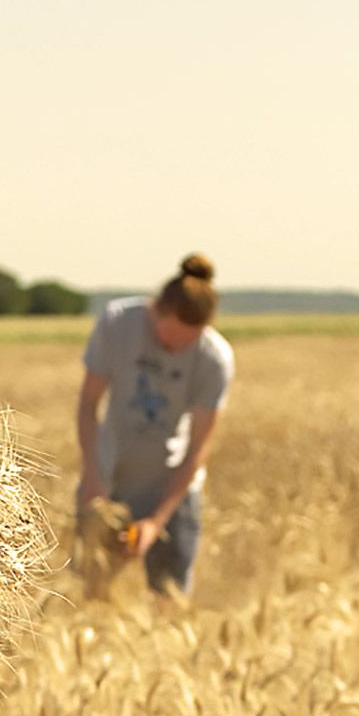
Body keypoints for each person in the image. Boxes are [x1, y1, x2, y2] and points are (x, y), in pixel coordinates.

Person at [73, 254, 234, 597]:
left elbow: (198, 449)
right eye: (168, 339)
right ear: (157, 310)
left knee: (170, 597)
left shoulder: (215, 358)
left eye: (187, 342)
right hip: (109, 477)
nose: (176, 350)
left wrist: (156, 521)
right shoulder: (118, 323)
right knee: (89, 591)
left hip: (171, 487)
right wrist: (92, 478)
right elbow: (88, 405)